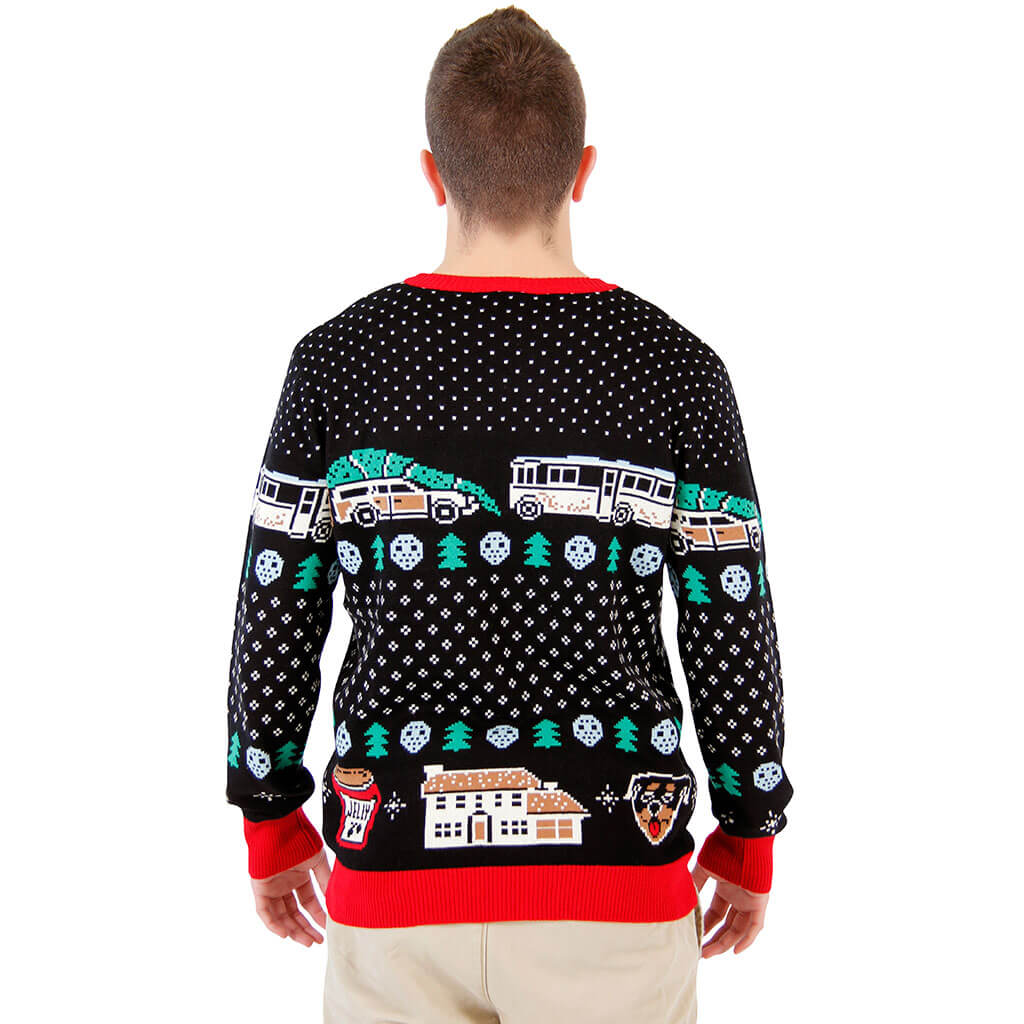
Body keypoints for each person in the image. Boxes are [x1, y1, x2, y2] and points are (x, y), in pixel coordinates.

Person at [225, 7, 793, 1022]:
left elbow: (278, 603)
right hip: (617, 882)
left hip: (392, 877)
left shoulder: (336, 362)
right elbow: (729, 615)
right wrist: (749, 829)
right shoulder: (677, 368)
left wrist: (270, 818)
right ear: (583, 170)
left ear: (432, 173)